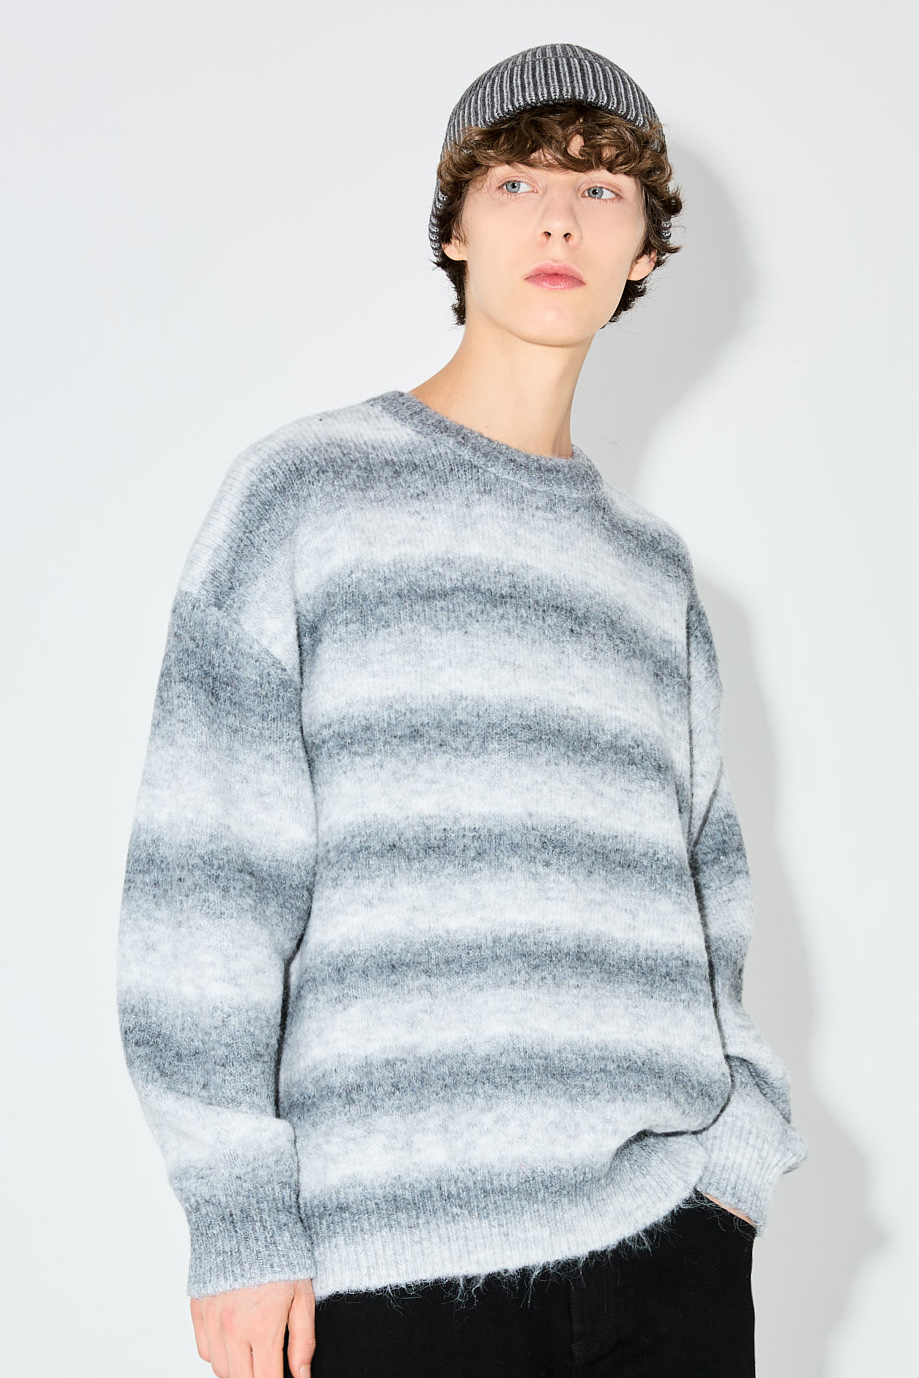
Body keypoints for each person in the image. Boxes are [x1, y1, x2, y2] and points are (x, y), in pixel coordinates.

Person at [116, 41, 807, 1378]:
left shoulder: (652, 575)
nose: (558, 218)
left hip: (665, 1260)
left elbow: (706, 904)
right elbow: (205, 880)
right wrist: (236, 1214)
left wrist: (731, 1174)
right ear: (455, 230)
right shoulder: (307, 496)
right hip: (391, 1268)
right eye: (515, 181)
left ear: (645, 253)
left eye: (602, 189)